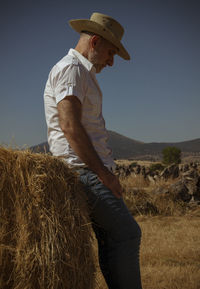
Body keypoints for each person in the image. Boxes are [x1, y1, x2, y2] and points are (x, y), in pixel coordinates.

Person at [44, 12, 142, 289]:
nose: (112, 62)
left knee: (114, 239)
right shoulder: (72, 69)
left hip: (89, 170)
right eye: (111, 53)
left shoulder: (79, 72)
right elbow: (70, 125)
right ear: (95, 41)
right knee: (127, 233)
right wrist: (103, 174)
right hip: (85, 171)